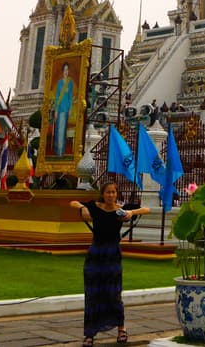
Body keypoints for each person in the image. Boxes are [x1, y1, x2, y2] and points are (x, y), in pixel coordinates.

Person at [69, 183, 150, 346]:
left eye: (113, 192)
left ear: (116, 194)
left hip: (112, 254)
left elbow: (146, 209)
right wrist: (82, 208)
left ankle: (121, 328)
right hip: (95, 254)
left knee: (113, 292)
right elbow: (72, 202)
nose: (111, 195)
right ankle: (90, 334)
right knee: (92, 293)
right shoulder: (95, 207)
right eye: (108, 192)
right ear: (103, 194)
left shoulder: (121, 210)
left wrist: (131, 212)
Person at [51, 63, 75, 156]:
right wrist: (56, 110)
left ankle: (62, 151)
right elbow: (57, 97)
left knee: (63, 129)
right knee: (58, 130)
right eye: (64, 70)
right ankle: (58, 151)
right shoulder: (60, 82)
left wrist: (70, 109)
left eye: (67, 70)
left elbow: (70, 96)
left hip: (65, 109)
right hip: (59, 108)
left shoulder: (70, 82)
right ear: (62, 71)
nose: (66, 72)